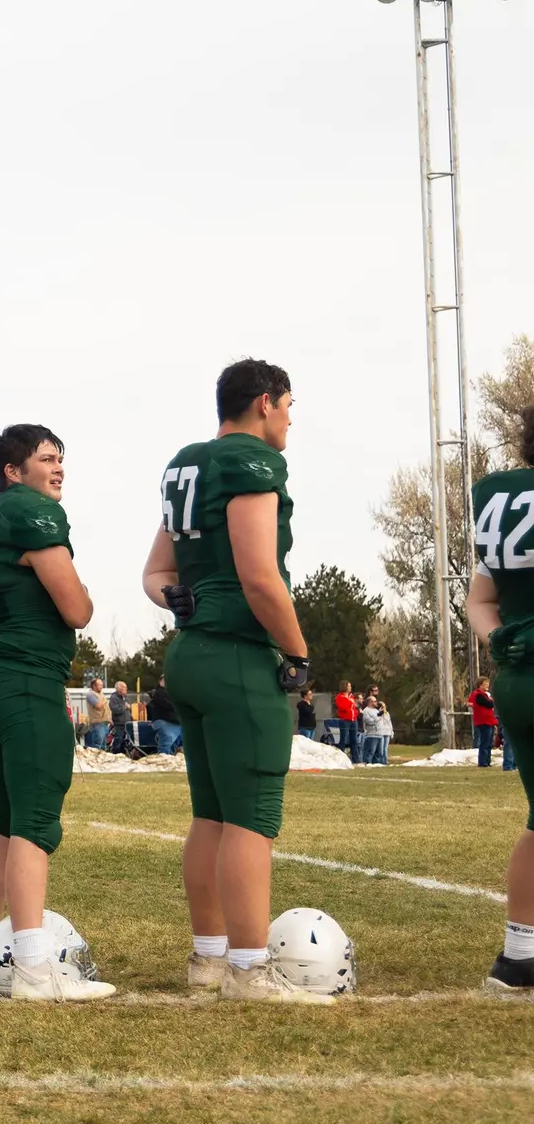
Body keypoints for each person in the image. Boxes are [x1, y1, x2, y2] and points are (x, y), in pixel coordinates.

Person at [143, 358, 327, 1004]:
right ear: (265, 403)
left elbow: (156, 573)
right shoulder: (250, 461)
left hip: (191, 654)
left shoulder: (188, 464)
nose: (291, 418)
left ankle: (209, 962)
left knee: (212, 816)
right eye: (288, 404)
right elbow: (258, 575)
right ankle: (250, 970)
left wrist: (178, 600)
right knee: (251, 818)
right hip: (239, 655)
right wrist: (299, 652)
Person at [0, 423, 115, 1003]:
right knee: (34, 823)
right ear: (13, 472)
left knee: (5, 817)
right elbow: (76, 608)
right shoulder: (30, 511)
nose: (59, 468)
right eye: (47, 458)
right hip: (28, 681)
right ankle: (31, 968)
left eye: (62, 459)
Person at [469, 409, 534, 991]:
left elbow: (480, 601)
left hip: (517, 680)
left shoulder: (504, 502)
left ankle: (520, 955)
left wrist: (507, 644)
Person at [150, 678, 184, 755]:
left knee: (175, 746)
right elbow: (167, 704)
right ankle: (164, 761)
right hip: (165, 722)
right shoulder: (159, 692)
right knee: (166, 746)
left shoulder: (174, 693)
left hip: (177, 723)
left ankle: (171, 759)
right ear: (160, 681)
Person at [472, 677, 500, 767]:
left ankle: (487, 761)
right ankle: (483, 762)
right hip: (483, 721)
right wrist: (491, 700)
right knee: (484, 742)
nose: (487, 685)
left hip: (489, 721)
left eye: (488, 683)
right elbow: (489, 704)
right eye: (485, 683)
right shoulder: (478, 695)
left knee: (489, 743)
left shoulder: (486, 695)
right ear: (480, 685)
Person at [330, 681, 358, 756]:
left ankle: (356, 758)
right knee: (343, 739)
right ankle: (341, 756)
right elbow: (343, 708)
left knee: (354, 740)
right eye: (349, 686)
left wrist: (355, 713)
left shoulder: (351, 696)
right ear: (345, 687)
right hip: (345, 720)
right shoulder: (340, 697)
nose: (350, 687)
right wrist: (350, 702)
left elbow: (354, 707)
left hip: (353, 720)